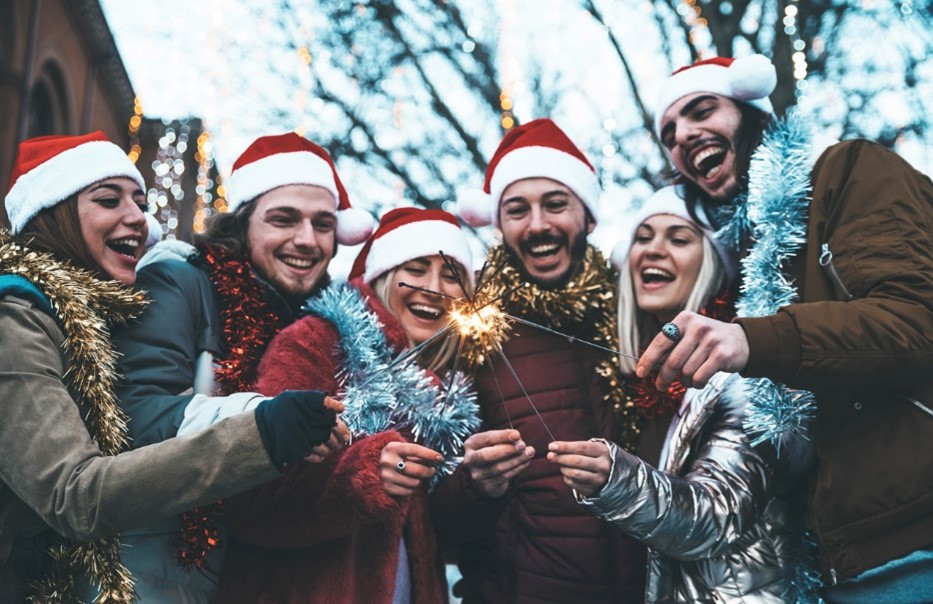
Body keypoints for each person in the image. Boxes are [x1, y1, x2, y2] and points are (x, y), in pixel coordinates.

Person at [0, 131, 345, 602]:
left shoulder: (83, 317)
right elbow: (75, 495)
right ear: (54, 212)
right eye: (108, 199)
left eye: (140, 202)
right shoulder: (15, 317)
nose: (138, 217)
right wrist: (259, 429)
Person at [640, 55, 933, 601]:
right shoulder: (751, 268)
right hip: (844, 562)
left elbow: (915, 321)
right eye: (669, 134)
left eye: (702, 110)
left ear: (753, 113)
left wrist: (755, 339)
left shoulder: (848, 171)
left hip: (916, 537)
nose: (683, 136)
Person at [108, 132, 371, 601]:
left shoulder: (324, 326)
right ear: (244, 223)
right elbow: (131, 414)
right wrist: (263, 422)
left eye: (323, 223)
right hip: (150, 570)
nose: (306, 240)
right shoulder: (180, 282)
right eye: (283, 220)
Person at [548, 185, 813, 602]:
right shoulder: (638, 393)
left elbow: (716, 516)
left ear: (712, 262)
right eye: (642, 237)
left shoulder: (745, 374)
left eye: (678, 238)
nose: (653, 250)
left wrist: (616, 479)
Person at [216, 207, 481, 603]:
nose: (434, 287)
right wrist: (364, 474)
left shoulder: (442, 391)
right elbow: (250, 498)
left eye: (451, 275)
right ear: (383, 275)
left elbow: (443, 537)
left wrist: (480, 484)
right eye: (418, 268)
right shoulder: (314, 343)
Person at [432, 118, 647, 602]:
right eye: (517, 210)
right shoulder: (472, 333)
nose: (538, 225)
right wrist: (476, 485)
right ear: (499, 225)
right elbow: (438, 520)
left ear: (588, 217)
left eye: (555, 204)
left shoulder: (638, 310)